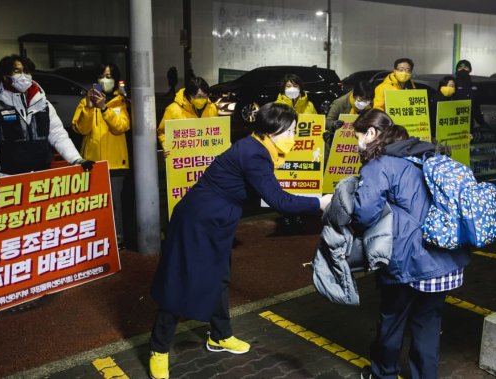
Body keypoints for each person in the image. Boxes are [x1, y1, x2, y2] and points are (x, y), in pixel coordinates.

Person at [148, 102, 333, 379]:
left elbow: (260, 194)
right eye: (291, 130)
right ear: (272, 131)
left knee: (220, 277)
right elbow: (279, 201)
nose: (294, 136)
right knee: (182, 282)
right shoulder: (255, 155)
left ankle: (220, 336)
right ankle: (158, 349)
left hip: (218, 219)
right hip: (198, 221)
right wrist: (320, 203)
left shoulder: (260, 148)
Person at [352, 109, 470, 379]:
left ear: (370, 133)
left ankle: (382, 374)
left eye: (358, 137)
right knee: (428, 325)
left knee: (392, 321)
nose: (357, 143)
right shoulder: (423, 153)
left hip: (409, 260)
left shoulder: (379, 164)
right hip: (446, 257)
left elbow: (365, 213)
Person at [0, 54, 91, 185]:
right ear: (5, 76)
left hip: (42, 178)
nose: (23, 76)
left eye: (27, 72)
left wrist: (76, 160)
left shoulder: (44, 106)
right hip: (9, 179)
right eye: (17, 71)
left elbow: (59, 136)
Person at [72, 63, 131, 249]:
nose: (106, 80)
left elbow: (121, 127)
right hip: (91, 162)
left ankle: (118, 240)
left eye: (110, 76)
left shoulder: (120, 102)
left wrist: (104, 109)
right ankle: (94, 240)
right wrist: (90, 108)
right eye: (103, 76)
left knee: (114, 206)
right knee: (92, 204)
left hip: (115, 163)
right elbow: (81, 128)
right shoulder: (85, 102)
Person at [275, 73, 317, 230]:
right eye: (288, 86)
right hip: (284, 150)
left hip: (303, 149)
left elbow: (315, 127)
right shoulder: (276, 106)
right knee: (285, 182)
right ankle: (285, 213)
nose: (292, 89)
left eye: (295, 85)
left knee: (300, 181)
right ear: (282, 89)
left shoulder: (309, 106)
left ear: (301, 88)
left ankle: (298, 212)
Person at [157, 77, 218, 157]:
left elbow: (217, 131)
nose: (202, 99)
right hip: (184, 158)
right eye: (199, 96)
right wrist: (165, 146)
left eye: (205, 96)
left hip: (205, 157)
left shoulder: (212, 108)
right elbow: (162, 133)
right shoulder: (173, 110)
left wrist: (224, 141)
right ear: (189, 95)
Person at [324, 80, 374, 164]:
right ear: (355, 95)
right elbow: (327, 121)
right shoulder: (339, 103)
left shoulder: (368, 107)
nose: (364, 103)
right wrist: (333, 124)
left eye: (367, 101)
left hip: (355, 145)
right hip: (337, 145)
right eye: (361, 99)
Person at [453, 59, 487, 130]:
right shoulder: (451, 85)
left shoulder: (473, 87)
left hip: (468, 123)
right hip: (453, 122)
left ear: (469, 70)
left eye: (465, 68)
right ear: (457, 70)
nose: (463, 70)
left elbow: (476, 107)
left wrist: (482, 123)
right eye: (460, 68)